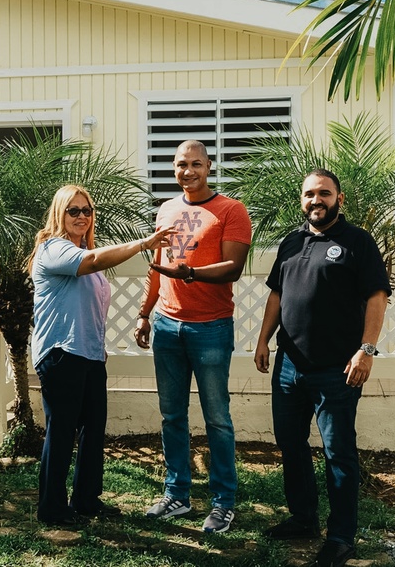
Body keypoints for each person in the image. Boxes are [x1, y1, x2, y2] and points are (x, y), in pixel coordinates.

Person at [254, 168, 391, 567]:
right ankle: (303, 519)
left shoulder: (357, 242)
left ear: (339, 199)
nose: (317, 200)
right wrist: (263, 339)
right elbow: (277, 295)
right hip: (288, 367)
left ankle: (342, 537)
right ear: (303, 200)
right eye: (310, 194)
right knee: (290, 444)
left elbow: (377, 298)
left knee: (338, 453)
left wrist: (366, 350)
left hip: (337, 369)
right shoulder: (292, 242)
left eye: (325, 194)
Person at [29, 184, 173, 527]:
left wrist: (98, 349)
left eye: (87, 210)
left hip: (89, 355)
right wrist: (143, 244)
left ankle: (86, 500)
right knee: (62, 430)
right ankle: (52, 508)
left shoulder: (83, 253)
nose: (82, 216)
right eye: (73, 210)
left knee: (93, 430)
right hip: (61, 354)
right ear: (59, 214)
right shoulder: (54, 250)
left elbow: (88, 307)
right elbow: (92, 260)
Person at [134, 140, 252, 534]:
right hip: (167, 326)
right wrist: (144, 313)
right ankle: (177, 495)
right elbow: (157, 267)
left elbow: (233, 267)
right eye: (181, 165)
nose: (189, 171)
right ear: (174, 168)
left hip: (211, 327)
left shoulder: (231, 210)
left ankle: (223, 503)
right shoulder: (166, 209)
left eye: (196, 164)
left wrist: (190, 274)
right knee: (172, 416)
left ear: (209, 166)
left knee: (217, 419)